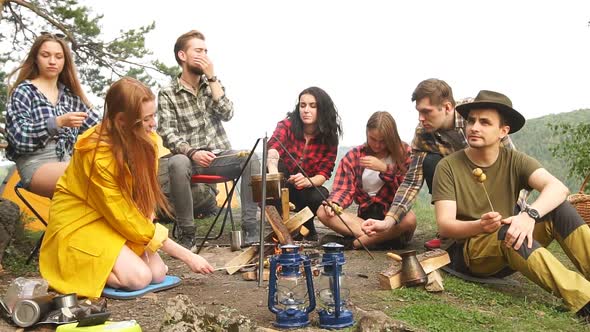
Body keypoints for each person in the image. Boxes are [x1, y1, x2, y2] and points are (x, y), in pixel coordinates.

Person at [39, 77, 214, 298]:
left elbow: (144, 196)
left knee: (157, 273)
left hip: (114, 221)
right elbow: (123, 216)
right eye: (147, 118)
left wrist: (148, 217)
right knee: (138, 278)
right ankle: (75, 273)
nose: (154, 124)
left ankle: (117, 265)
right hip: (81, 222)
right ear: (122, 121)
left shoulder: (146, 139)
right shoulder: (94, 154)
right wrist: (187, 256)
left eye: (154, 115)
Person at [432, 90, 590, 320]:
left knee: (560, 209)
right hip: (468, 254)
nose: (474, 127)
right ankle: (584, 299)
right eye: (471, 121)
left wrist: (529, 215)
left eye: (485, 122)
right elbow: (445, 226)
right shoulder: (448, 167)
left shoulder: (514, 160)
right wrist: (480, 226)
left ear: (503, 131)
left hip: (513, 248)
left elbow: (559, 188)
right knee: (510, 232)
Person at [362, 78, 523, 249]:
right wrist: (388, 221)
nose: (421, 118)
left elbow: (514, 166)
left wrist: (517, 212)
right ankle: (452, 231)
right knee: (431, 163)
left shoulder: (476, 114)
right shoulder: (423, 133)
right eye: (418, 112)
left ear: (447, 107)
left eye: (426, 112)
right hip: (459, 188)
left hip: (492, 186)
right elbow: (411, 182)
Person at [157, 30, 259, 248]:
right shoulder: (167, 92)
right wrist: (193, 152)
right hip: (188, 159)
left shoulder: (213, 85)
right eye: (198, 50)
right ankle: (188, 233)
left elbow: (227, 113)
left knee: (251, 157)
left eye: (206, 51)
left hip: (219, 156)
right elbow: (166, 132)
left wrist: (212, 78)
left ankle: (251, 230)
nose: (204, 56)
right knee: (177, 161)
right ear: (182, 55)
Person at [5, 32, 101, 198]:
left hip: (68, 162)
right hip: (37, 165)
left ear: (65, 61)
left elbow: (99, 128)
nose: (52, 61)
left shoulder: (71, 97)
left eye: (58, 57)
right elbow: (19, 138)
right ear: (36, 58)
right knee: (95, 173)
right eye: (45, 55)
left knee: (116, 167)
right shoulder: (24, 91)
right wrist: (57, 122)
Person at [317, 111, 416, 249]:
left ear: (391, 137)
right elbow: (343, 189)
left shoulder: (404, 152)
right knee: (323, 211)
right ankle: (378, 241)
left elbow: (409, 186)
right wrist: (334, 203)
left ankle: (355, 243)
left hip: (392, 217)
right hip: (363, 221)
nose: (377, 145)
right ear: (366, 133)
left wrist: (385, 168)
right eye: (373, 139)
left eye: (382, 141)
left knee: (409, 218)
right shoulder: (355, 155)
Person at [267, 86, 342, 241]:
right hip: (282, 183)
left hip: (304, 188)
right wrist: (273, 172)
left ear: (322, 110)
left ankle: (306, 224)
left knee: (320, 194)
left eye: (312, 106)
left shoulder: (329, 137)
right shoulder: (286, 126)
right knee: (271, 177)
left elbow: (324, 173)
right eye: (303, 105)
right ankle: (281, 225)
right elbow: (273, 148)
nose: (306, 110)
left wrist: (307, 181)